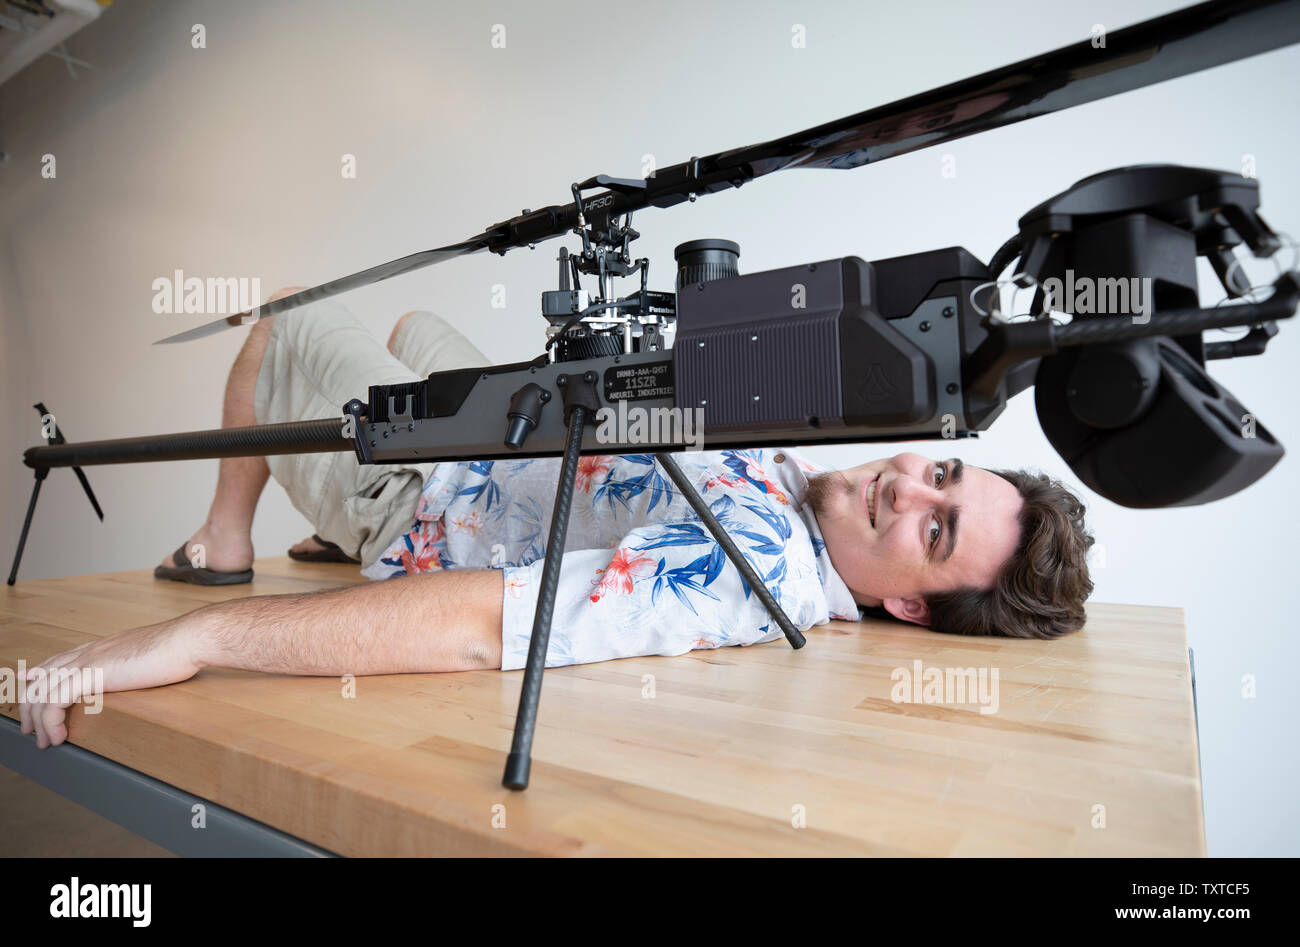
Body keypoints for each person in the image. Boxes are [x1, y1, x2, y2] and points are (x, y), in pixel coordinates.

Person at [17, 289, 1095, 748]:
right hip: (502, 463)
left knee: (286, 328)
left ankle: (220, 545)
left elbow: (484, 626)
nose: (908, 487)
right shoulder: (799, 483)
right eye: (942, 471)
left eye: (934, 529)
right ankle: (317, 516)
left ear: (906, 597)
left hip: (425, 508)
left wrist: (197, 637)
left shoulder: (747, 566)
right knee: (417, 325)